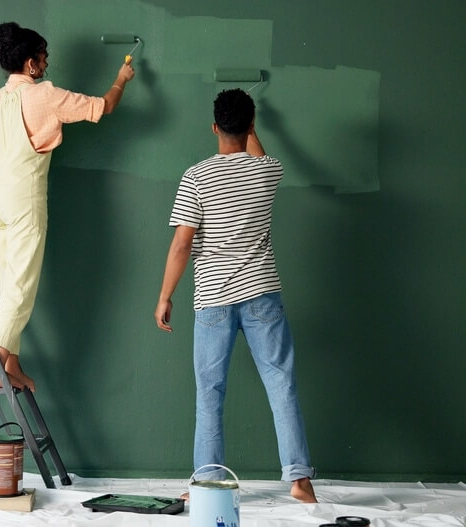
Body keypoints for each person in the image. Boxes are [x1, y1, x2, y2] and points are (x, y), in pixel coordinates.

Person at [154, 89, 317, 503]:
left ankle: (208, 486)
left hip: (213, 299)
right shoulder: (268, 170)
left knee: (210, 394)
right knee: (282, 385)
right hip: (263, 294)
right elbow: (258, 157)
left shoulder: (196, 176)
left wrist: (164, 295)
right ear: (249, 126)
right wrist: (252, 129)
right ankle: (300, 482)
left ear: (213, 127)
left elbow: (181, 245)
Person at [0, 22, 135, 392]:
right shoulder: (45, 95)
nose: (46, 65)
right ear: (29, 64)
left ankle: (11, 365)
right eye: (42, 59)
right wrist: (122, 77)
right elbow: (104, 106)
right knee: (19, 291)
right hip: (25, 201)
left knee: (10, 286)